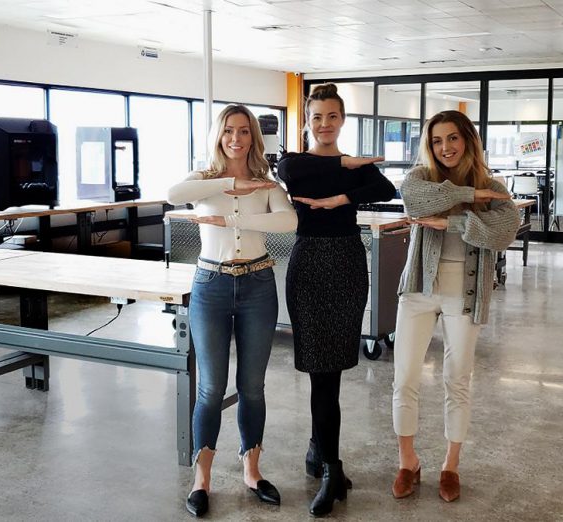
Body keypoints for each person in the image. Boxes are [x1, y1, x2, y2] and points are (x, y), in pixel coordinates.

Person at [167, 104, 298, 517]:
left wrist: (234, 218)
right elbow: (172, 195)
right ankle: (201, 478)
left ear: (254, 138)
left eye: (244, 131)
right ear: (219, 136)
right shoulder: (203, 180)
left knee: (252, 386)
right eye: (229, 131)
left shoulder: (267, 184)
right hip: (211, 286)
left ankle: (252, 470)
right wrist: (227, 184)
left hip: (258, 285)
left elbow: (289, 222)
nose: (236, 139)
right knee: (210, 387)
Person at [277, 82, 395, 517]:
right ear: (307, 121)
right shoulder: (294, 162)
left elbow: (385, 188)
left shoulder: (357, 168)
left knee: (332, 371)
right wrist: (348, 166)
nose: (324, 124)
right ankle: (331, 466)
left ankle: (318, 450)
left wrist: (345, 193)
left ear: (342, 119)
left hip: (346, 263)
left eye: (331, 116)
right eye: (316, 117)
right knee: (319, 369)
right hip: (308, 266)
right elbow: (302, 175)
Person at [391, 110, 520, 502]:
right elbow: (412, 201)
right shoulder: (422, 179)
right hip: (418, 290)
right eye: (436, 141)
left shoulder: (493, 185)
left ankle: (450, 465)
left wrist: (451, 223)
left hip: (465, 294)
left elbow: (504, 232)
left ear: (467, 140)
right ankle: (408, 461)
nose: (444, 147)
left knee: (457, 379)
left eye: (452, 138)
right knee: (404, 379)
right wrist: (470, 197)